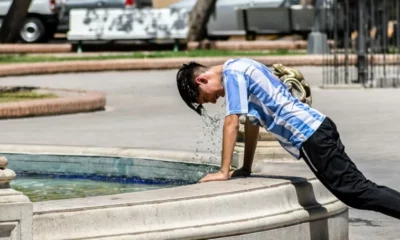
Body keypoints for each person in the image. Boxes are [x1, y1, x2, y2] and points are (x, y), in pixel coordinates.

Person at [176, 58, 400, 219]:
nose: (214, 100)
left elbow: (231, 122)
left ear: (202, 80)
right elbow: (252, 123)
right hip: (319, 128)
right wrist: (245, 167)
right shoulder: (241, 66)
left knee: (356, 192)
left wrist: (223, 172)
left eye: (206, 98)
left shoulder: (232, 74)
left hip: (311, 136)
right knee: (359, 190)